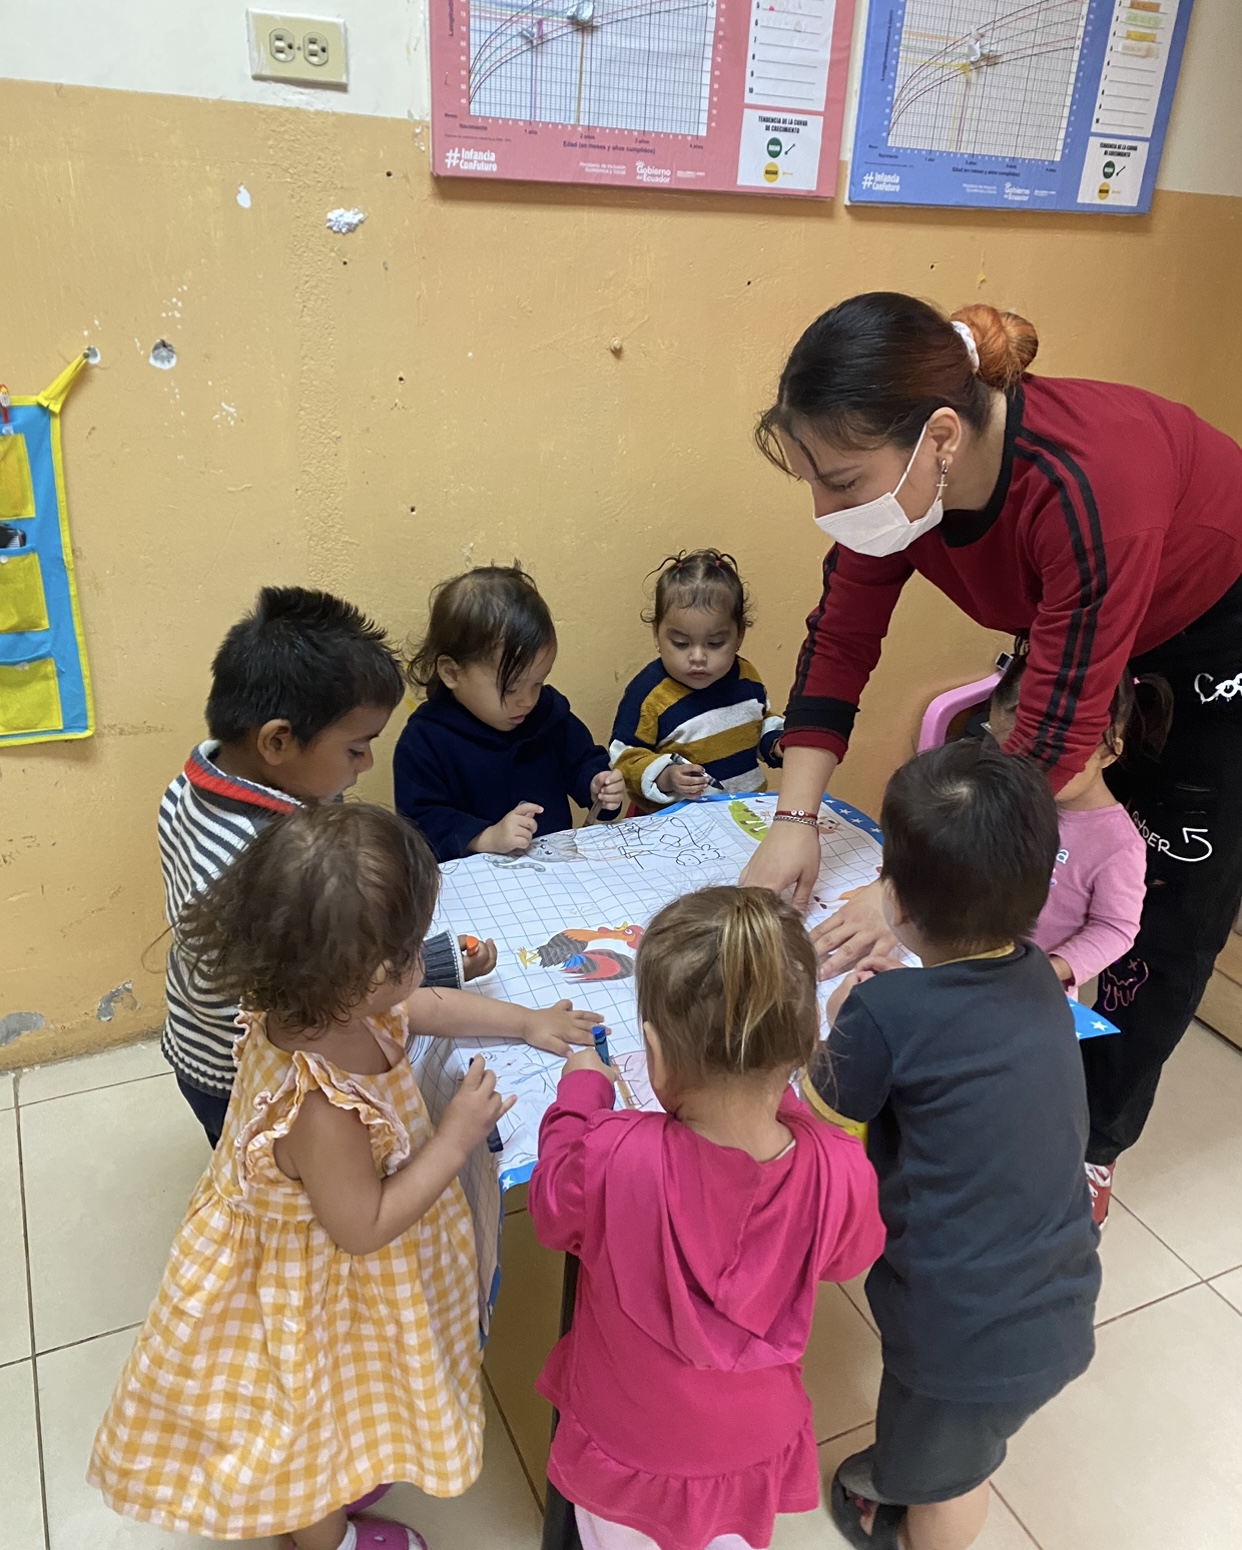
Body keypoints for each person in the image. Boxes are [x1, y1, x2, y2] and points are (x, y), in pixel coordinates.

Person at [740, 291, 1242, 1214]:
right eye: (812, 481)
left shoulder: (1088, 488)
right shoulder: (904, 492)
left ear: (940, 437)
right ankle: (1005, 1079)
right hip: (1093, 608)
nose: (824, 508)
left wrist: (904, 896)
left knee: (1164, 910)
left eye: (840, 482)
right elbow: (840, 642)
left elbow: (1048, 748)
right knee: (1015, 867)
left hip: (1217, 633)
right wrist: (793, 817)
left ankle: (1091, 1145)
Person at [90, 802, 515, 1550]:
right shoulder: (323, 1107)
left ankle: (348, 1468)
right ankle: (326, 1537)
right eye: (411, 950)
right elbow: (363, 1226)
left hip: (313, 1256)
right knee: (305, 1435)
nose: (421, 961)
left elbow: (424, 1007)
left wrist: (529, 1023)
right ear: (363, 976)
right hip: (312, 1285)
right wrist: (455, 1138)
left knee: (339, 1406)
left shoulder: (318, 1003)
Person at [163, 586, 598, 1149]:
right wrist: (510, 1013)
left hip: (213, 1036)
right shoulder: (269, 864)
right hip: (240, 1072)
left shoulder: (199, 781)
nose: (368, 762)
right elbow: (364, 998)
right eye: (355, 748)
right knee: (284, 1183)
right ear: (277, 741)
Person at [528, 886, 885, 1550]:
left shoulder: (611, 1154)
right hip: (750, 1445)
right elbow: (849, 1257)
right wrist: (794, 1105)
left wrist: (581, 1088)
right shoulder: (840, 1168)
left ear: (655, 1056)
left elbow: (551, 1211)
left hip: (627, 1441)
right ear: (806, 1046)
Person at [814, 742, 1100, 1550]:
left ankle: (923, 1507)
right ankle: (916, 1469)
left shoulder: (883, 1014)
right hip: (1054, 1291)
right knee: (942, 1444)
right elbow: (961, 1033)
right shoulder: (1038, 973)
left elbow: (823, 1124)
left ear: (894, 901)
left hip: (960, 1338)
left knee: (949, 1479)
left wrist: (841, 1023)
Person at [393, 565, 624, 861]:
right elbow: (422, 823)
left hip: (555, 874)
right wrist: (485, 837)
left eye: (538, 682)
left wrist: (596, 785)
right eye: (511, 688)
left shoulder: (548, 715)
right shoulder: (425, 740)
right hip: (477, 882)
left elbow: (582, 761)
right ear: (452, 673)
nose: (527, 701)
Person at [989, 639, 1172, 1011]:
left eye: (1048, 761)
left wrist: (1050, 968)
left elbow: (1115, 929)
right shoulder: (1011, 794)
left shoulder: (1117, 845)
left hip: (1032, 992)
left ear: (1108, 751)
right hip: (970, 964)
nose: (1029, 776)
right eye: (1014, 758)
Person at [609, 549, 784, 810]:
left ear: (739, 636)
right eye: (681, 643)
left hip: (744, 812)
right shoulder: (648, 694)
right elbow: (624, 757)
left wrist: (777, 742)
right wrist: (666, 776)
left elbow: (759, 723)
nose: (698, 657)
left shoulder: (746, 677)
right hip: (674, 822)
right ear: (657, 634)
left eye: (715, 643)